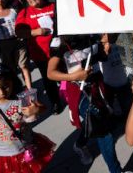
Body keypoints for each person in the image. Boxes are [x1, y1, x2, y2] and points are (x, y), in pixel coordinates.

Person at [47, 34, 122, 172]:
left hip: (98, 87)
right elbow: (50, 73)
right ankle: (116, 170)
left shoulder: (91, 33)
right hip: (78, 90)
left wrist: (105, 50)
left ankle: (80, 144)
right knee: (103, 130)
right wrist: (73, 76)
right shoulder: (59, 41)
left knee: (92, 122)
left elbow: (99, 56)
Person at [15, 0, 61, 113]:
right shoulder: (24, 12)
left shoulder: (53, 6)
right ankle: (56, 103)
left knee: (66, 75)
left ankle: (72, 98)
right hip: (40, 53)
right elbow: (19, 32)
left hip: (59, 50)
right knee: (48, 79)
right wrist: (35, 32)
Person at [100, 33, 133, 119]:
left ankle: (126, 118)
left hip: (123, 81)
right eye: (103, 33)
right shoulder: (100, 47)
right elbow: (101, 57)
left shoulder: (119, 42)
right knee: (114, 108)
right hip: (110, 84)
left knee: (127, 106)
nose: (106, 34)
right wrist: (105, 50)